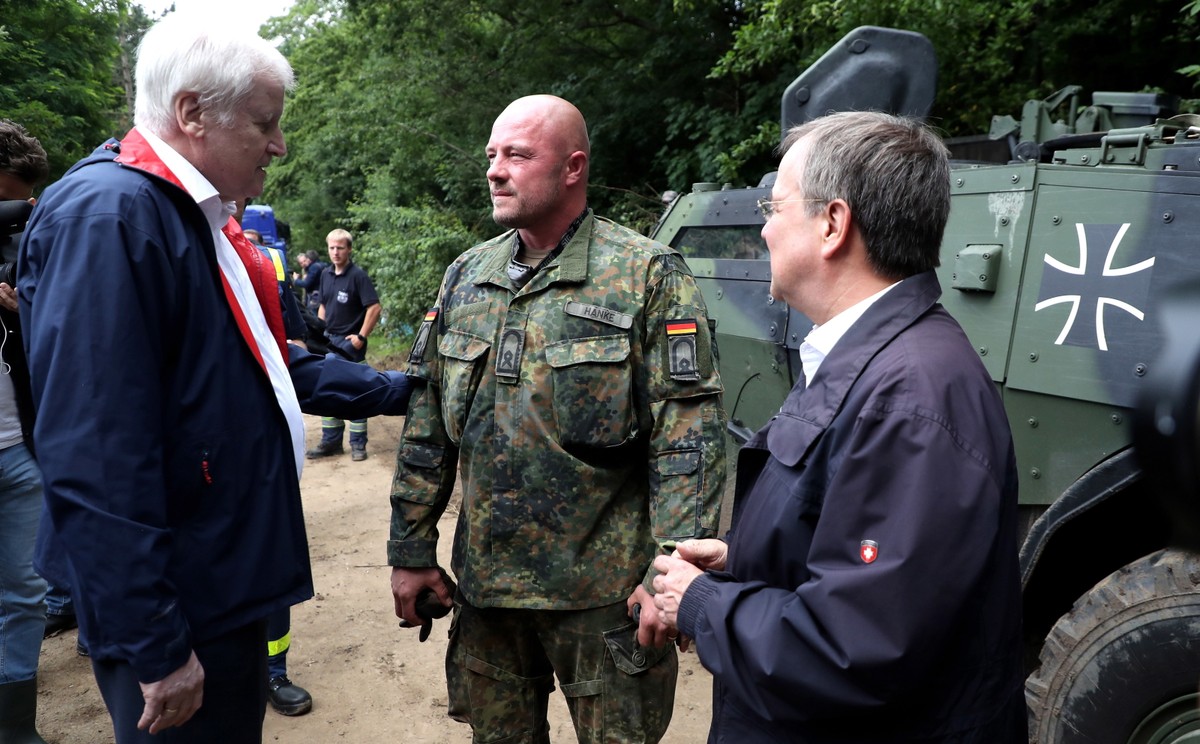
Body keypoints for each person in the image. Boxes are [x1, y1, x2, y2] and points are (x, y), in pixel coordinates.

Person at [18, 15, 412, 743]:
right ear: (192, 112)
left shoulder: (186, 217)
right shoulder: (114, 218)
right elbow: (94, 452)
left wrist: (399, 390)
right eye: (264, 122)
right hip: (182, 593)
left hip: (216, 573)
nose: (279, 144)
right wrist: (156, 643)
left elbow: (258, 361)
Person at [650, 111, 1027, 742]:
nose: (764, 228)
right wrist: (743, 559)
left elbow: (854, 649)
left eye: (774, 206)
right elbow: (854, 548)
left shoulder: (909, 397)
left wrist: (702, 603)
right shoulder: (872, 359)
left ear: (832, 224)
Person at [388, 94, 727, 743]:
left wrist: (669, 573)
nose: (495, 170)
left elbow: (688, 438)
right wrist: (411, 549)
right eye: (492, 155)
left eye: (517, 155)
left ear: (572, 167)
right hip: (487, 597)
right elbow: (426, 427)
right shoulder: (466, 276)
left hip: (604, 601)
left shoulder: (644, 275)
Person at [0, 118, 49, 744]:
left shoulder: (18, 248)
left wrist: (24, 307)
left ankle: (16, 727)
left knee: (24, 593)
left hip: (16, 449)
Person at [307, 229, 380, 462]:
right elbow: (323, 305)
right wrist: (319, 332)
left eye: (340, 247)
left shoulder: (358, 276)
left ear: (349, 249)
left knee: (356, 392)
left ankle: (358, 444)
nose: (335, 252)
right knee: (328, 392)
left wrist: (361, 336)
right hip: (329, 342)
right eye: (332, 248)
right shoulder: (325, 274)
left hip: (350, 345)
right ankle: (331, 442)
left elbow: (374, 307)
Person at [292, 249, 326, 313]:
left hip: (316, 297)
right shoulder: (323, 265)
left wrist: (296, 280)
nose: (304, 263)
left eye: (305, 260)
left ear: (309, 259)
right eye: (301, 263)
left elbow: (306, 284)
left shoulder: (313, 268)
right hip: (323, 295)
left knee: (313, 316)